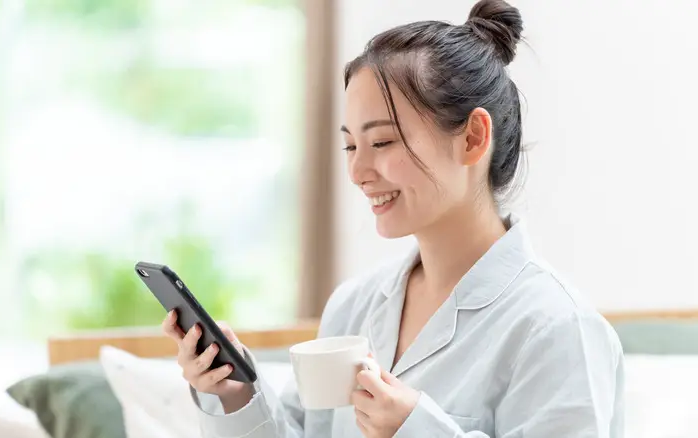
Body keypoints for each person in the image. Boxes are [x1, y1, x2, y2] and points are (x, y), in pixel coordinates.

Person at [162, 0, 625, 436]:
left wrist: (417, 428)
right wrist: (235, 392)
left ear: (472, 139)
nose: (359, 172)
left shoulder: (558, 330)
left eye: (382, 142)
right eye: (350, 146)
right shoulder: (353, 307)